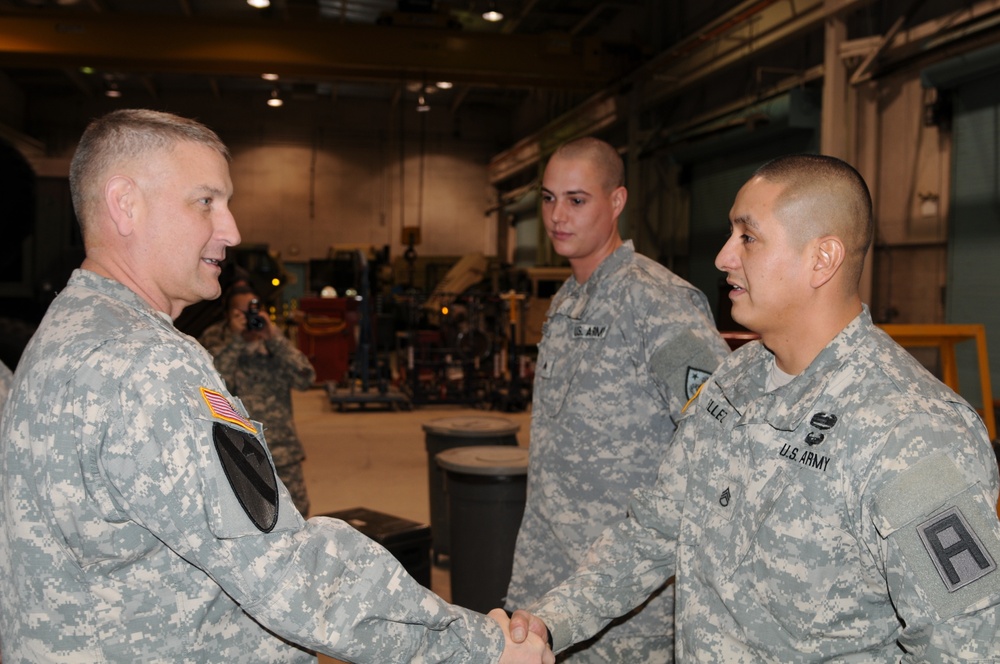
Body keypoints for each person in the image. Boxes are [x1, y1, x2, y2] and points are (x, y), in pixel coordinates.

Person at [0, 108, 553, 664]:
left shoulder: (66, 332)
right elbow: (286, 570)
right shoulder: (146, 365)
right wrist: (479, 647)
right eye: (206, 201)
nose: (231, 230)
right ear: (126, 204)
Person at [510, 154, 1000, 660]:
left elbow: (968, 648)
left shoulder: (914, 432)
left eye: (748, 237)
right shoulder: (734, 382)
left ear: (822, 259)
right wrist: (551, 622)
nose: (723, 257)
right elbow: (655, 529)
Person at [504, 137, 729, 662]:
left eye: (577, 200)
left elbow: (721, 429)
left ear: (617, 201)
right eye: (549, 198)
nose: (558, 215)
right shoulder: (567, 299)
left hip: (625, 601)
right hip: (551, 579)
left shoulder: (654, 299)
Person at [200, 283, 316, 516]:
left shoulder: (272, 336)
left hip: (280, 447)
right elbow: (211, 385)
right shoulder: (215, 337)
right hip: (235, 449)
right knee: (243, 517)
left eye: (253, 309)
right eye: (241, 313)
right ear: (229, 314)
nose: (250, 317)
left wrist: (274, 339)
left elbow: (306, 378)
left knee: (297, 513)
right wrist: (237, 341)